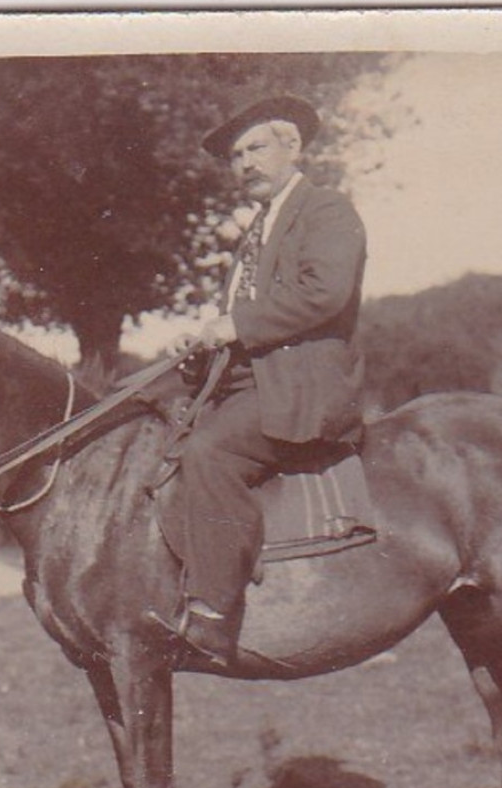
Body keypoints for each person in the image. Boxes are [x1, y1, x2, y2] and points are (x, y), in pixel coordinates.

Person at [157, 94, 368, 665]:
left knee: (210, 453)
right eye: (234, 157)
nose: (243, 164)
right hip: (247, 384)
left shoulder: (326, 210)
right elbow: (238, 322)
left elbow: (325, 292)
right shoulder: (255, 232)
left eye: (255, 149)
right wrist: (200, 340)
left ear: (292, 146)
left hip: (300, 388)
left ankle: (215, 615)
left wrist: (234, 323)